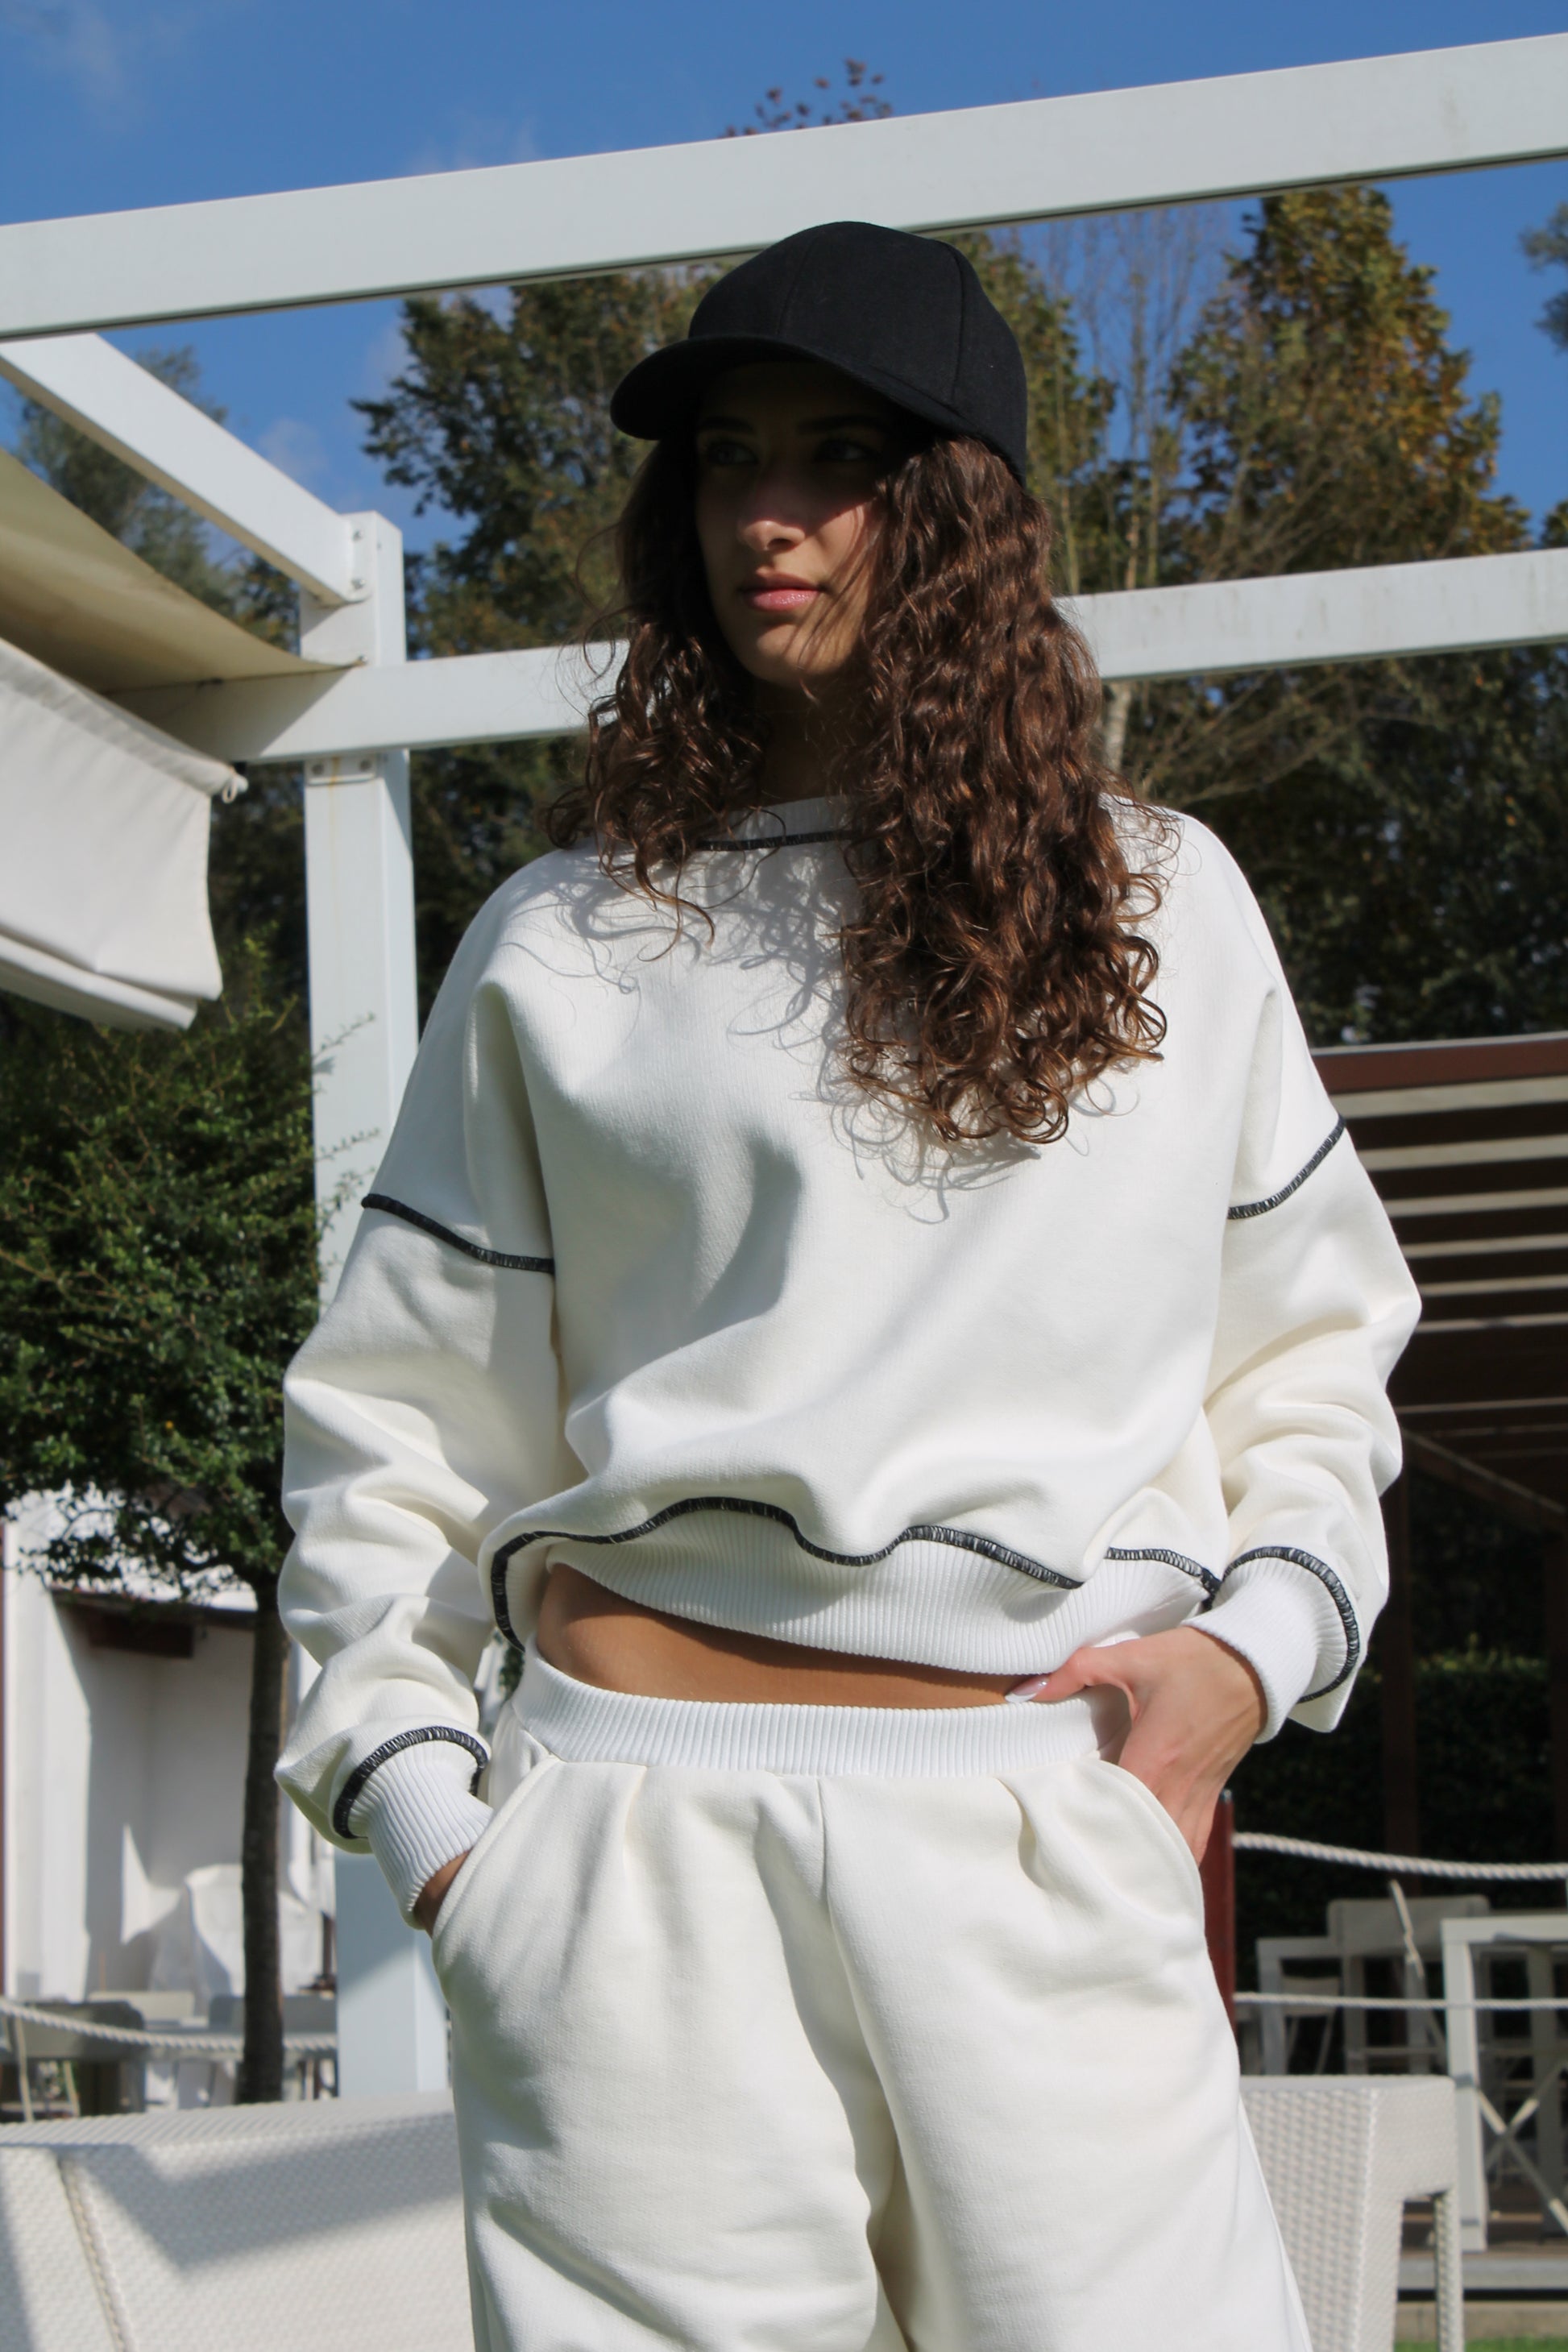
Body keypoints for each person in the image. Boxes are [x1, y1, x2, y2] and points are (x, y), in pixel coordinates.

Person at [277, 221, 1419, 2350]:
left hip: (1037, 1829)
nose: (767, 517)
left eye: (836, 459)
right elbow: (394, 1431)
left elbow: (1312, 1364)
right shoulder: (562, 940)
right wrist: (448, 1842)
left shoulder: (1164, 905)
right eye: (728, 459)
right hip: (622, 1862)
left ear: (965, 511)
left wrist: (1242, 1667)